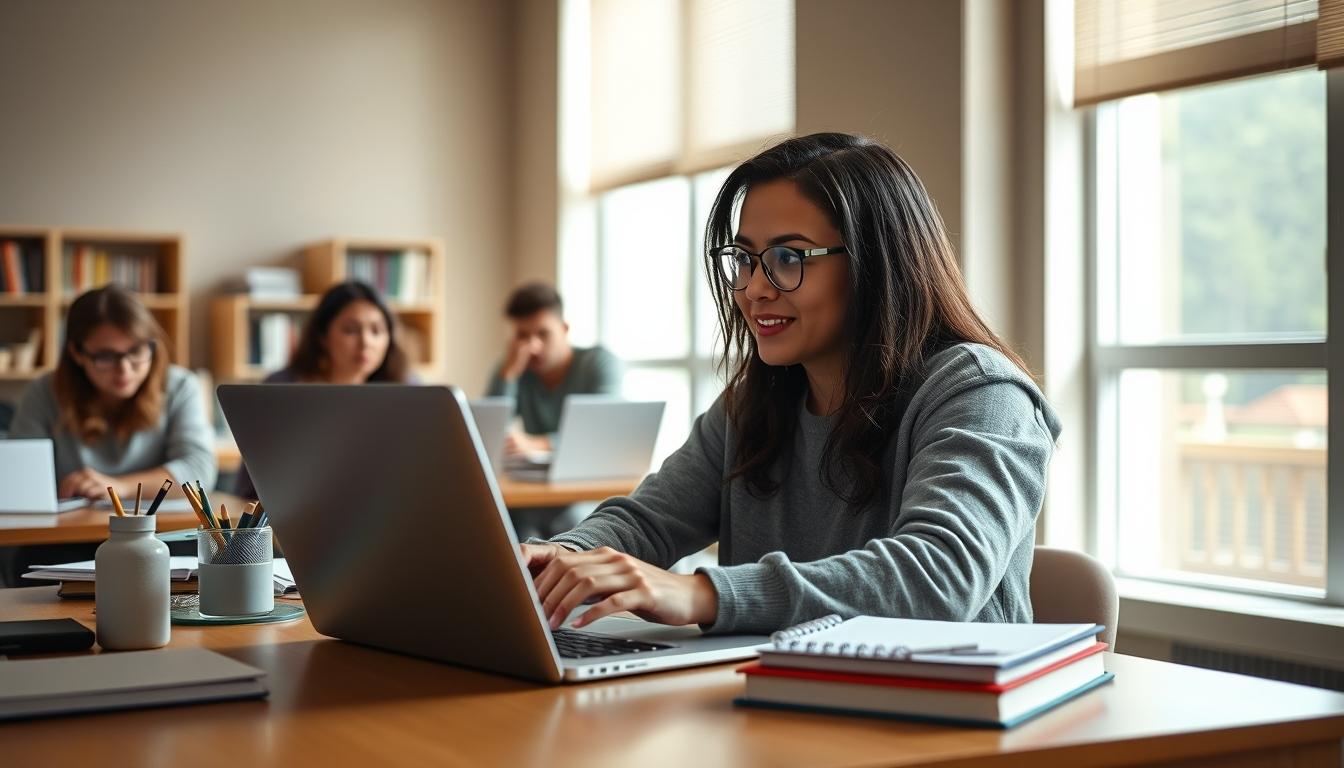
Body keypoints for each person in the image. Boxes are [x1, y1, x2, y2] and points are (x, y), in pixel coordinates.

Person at [521, 133, 1062, 636]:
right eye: (745, 259)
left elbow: (939, 578)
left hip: (941, 723)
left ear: (874, 265)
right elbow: (648, 522)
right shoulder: (754, 402)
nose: (754, 288)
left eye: (788, 258)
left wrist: (703, 594)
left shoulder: (982, 395)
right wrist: (557, 559)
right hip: (778, 706)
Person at [6, 285, 216, 580]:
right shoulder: (44, 392)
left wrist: (118, 486)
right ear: (77, 353)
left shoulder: (181, 385)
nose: (125, 369)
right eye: (105, 356)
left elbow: (198, 471)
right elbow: (19, 480)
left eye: (137, 351)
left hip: (162, 538)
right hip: (66, 542)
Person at [232, 281, 412, 499]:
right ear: (323, 336)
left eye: (377, 330)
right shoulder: (282, 388)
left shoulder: (408, 391)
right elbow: (249, 487)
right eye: (350, 330)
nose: (366, 342)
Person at [486, 283, 621, 457]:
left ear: (564, 329)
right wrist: (508, 375)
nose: (533, 347)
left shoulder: (598, 363)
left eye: (543, 334)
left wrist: (536, 444)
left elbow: (605, 431)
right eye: (523, 336)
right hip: (534, 480)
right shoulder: (514, 367)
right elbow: (489, 434)